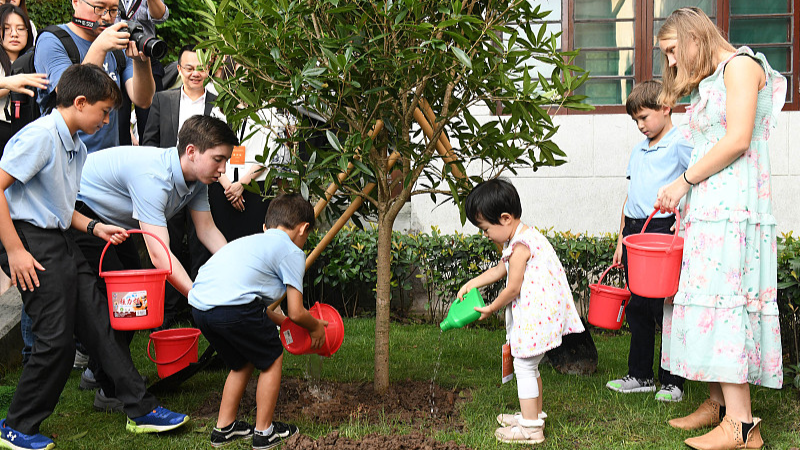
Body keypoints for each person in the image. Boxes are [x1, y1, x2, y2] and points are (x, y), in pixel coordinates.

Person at [0, 64, 187, 450]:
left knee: (101, 325)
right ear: (80, 102)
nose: (106, 121)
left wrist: (93, 227)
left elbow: (57, 205)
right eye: (103, 112)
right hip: (28, 239)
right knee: (56, 339)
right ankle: (16, 426)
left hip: (60, 238)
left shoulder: (76, 147)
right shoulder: (41, 136)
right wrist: (15, 251)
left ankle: (141, 409)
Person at [653, 7, 786, 450]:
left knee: (725, 302)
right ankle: (718, 404)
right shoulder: (713, 79)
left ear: (695, 37)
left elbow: (738, 139)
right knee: (707, 300)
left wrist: (682, 182)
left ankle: (742, 426)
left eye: (673, 50)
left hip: (734, 209)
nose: (671, 61)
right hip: (711, 207)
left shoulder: (741, 67)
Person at [71, 115, 235, 408]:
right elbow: (160, 256)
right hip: (81, 213)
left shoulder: (197, 181)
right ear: (192, 152)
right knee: (121, 302)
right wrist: (198, 298)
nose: (223, 169)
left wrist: (240, 270)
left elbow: (207, 231)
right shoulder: (153, 177)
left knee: (133, 301)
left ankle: (98, 373)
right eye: (218, 159)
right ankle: (110, 389)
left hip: (115, 223)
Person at [189, 193, 325, 449]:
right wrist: (315, 326)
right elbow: (296, 311)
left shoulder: (251, 242)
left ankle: (224, 428)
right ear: (303, 229)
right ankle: (264, 432)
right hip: (233, 308)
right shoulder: (292, 251)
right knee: (272, 357)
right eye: (307, 236)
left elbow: (258, 306)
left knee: (242, 361)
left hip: (201, 307)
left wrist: (283, 322)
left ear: (266, 226)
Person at [456, 178, 584, 445]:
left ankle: (531, 429)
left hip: (536, 318)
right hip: (543, 315)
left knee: (524, 366)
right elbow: (500, 269)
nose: (485, 235)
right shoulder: (524, 237)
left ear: (505, 218)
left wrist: (491, 308)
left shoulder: (520, 246)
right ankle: (533, 414)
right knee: (531, 366)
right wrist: (472, 283)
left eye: (485, 229)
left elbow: (512, 287)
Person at [606, 80, 690, 402]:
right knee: (638, 305)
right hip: (635, 232)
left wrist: (684, 223)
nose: (640, 125)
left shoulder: (681, 143)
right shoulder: (638, 149)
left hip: (663, 230)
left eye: (644, 117)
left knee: (665, 307)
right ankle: (641, 375)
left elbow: (698, 181)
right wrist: (621, 238)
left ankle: (672, 381)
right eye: (636, 120)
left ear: (666, 108)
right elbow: (631, 196)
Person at [141, 43, 224, 326]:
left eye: (200, 68)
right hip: (168, 185)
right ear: (179, 69)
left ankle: (201, 307)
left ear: (208, 69)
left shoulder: (219, 103)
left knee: (203, 245)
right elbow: (149, 142)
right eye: (188, 68)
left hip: (206, 185)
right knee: (169, 244)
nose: (194, 73)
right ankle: (169, 310)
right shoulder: (163, 99)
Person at [34, 0, 155, 154]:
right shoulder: (52, 40)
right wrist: (99, 47)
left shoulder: (117, 47)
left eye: (113, 10)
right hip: (65, 156)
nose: (107, 17)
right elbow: (72, 95)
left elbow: (143, 100)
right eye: (99, 8)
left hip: (108, 156)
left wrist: (141, 61)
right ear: (75, 2)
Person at [0, 3, 33, 153]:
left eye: (20, 29)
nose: (14, 34)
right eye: (6, 29)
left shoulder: (34, 61)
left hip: (26, 136)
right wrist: (11, 84)